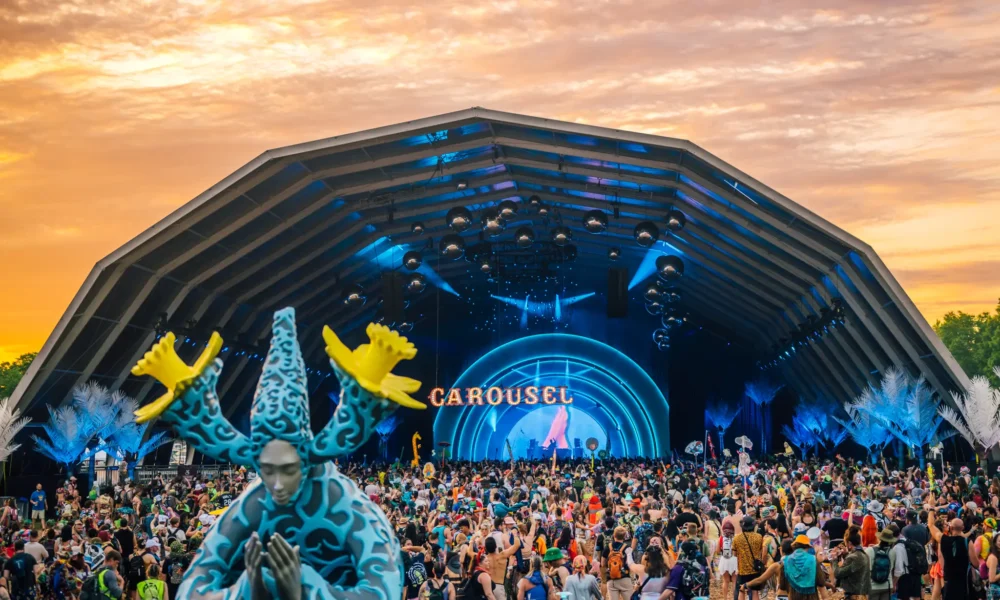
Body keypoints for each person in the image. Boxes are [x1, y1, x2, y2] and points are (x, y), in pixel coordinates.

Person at [930, 516, 980, 600]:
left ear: (951, 527)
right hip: (964, 581)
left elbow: (931, 525)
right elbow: (976, 564)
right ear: (963, 528)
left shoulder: (943, 540)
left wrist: (931, 510)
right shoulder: (967, 542)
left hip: (949, 580)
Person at [732, 516, 765, 600]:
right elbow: (760, 550)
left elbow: (734, 554)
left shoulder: (737, 538)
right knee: (755, 591)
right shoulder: (759, 537)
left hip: (742, 569)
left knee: (741, 590)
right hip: (755, 568)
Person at [833, 528, 871, 599]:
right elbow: (854, 568)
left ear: (849, 543)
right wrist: (846, 554)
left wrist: (834, 559)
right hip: (862, 594)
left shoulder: (853, 557)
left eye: (845, 543)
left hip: (854, 596)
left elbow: (838, 574)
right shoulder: (864, 554)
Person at [866, 529, 897, 600]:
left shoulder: (869, 550)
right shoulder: (892, 553)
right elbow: (892, 568)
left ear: (879, 539)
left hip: (872, 586)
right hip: (887, 585)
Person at [602, 526, 632, 600]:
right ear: (624, 536)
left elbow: (602, 563)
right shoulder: (628, 548)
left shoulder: (608, 547)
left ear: (614, 535)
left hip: (611, 579)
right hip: (625, 578)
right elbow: (631, 564)